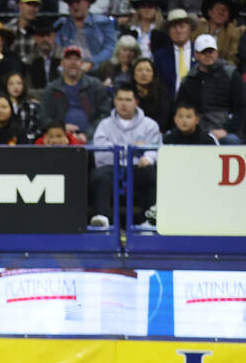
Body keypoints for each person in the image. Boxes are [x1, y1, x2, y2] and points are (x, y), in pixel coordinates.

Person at [88, 85, 161, 228]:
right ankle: (101, 217)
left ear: (136, 102)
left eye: (128, 99)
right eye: (120, 99)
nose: (123, 103)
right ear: (114, 101)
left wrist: (148, 158)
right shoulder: (104, 125)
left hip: (137, 168)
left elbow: (155, 150)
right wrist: (132, 149)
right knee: (99, 175)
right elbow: (101, 153)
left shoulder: (150, 125)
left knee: (150, 172)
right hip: (112, 168)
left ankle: (149, 219)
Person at [176, 35, 245, 145]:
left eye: (211, 51)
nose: (208, 55)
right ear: (196, 55)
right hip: (197, 131)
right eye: (203, 52)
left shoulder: (231, 74)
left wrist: (226, 129)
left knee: (231, 141)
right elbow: (181, 108)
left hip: (228, 131)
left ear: (217, 53)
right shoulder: (189, 80)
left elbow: (242, 107)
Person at [42, 45, 112, 143]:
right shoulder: (52, 88)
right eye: (69, 59)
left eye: (76, 59)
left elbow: (105, 114)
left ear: (82, 63)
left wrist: (88, 134)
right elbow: (44, 116)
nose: (73, 62)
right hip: (60, 138)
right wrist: (61, 129)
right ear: (62, 63)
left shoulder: (95, 86)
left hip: (92, 136)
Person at [152, 8, 197, 101]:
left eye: (182, 26)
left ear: (189, 29)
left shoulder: (200, 51)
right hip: (169, 105)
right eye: (174, 27)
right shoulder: (160, 56)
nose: (178, 31)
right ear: (168, 31)